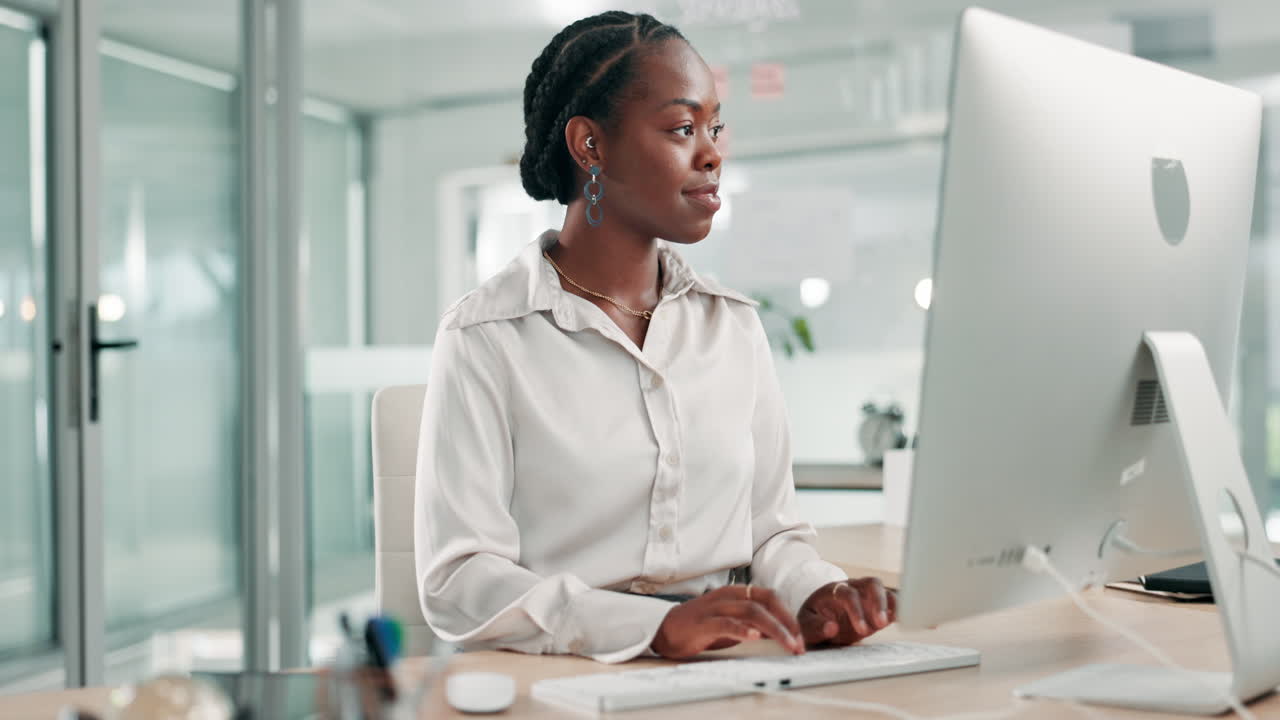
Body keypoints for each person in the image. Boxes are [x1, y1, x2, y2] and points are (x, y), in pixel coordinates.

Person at [415, 10, 895, 663]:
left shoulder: (733, 325)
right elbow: (458, 580)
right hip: (566, 676)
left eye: (714, 127)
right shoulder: (486, 336)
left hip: (731, 665)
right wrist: (648, 628)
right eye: (681, 128)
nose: (712, 153)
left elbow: (773, 534)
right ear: (591, 146)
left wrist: (817, 591)